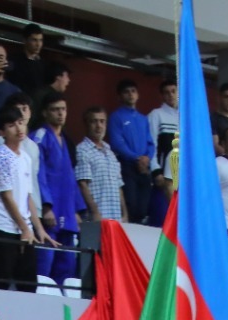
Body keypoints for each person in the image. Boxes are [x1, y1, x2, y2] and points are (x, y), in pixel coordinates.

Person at [0, 104, 50, 291]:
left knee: (29, 285)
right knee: (2, 283)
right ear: (2, 132)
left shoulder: (26, 157)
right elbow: (6, 196)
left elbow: (28, 197)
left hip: (25, 230)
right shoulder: (0, 155)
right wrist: (24, 228)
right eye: (12, 125)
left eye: (21, 123)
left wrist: (38, 228)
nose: (19, 128)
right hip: (3, 226)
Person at [32, 91, 84, 284]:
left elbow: (70, 177)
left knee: (68, 269)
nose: (60, 114)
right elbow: (38, 173)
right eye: (55, 110)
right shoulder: (40, 136)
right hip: (50, 211)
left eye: (63, 109)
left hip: (67, 211)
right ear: (45, 113)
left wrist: (77, 209)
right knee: (44, 269)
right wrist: (46, 206)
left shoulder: (66, 140)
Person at [75, 105, 125, 242]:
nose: (99, 126)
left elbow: (118, 185)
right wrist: (95, 212)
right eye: (94, 121)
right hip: (96, 218)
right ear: (86, 124)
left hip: (115, 218)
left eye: (102, 121)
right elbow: (83, 184)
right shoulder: (82, 150)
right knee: (95, 259)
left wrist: (124, 213)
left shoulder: (110, 152)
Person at [108, 78, 154, 226]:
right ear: (120, 96)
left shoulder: (143, 119)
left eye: (133, 91)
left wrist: (147, 158)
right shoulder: (116, 117)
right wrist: (137, 158)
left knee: (144, 207)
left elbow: (150, 143)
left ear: (138, 95)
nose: (130, 95)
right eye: (126, 92)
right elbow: (117, 143)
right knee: (131, 204)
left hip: (144, 167)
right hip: (127, 166)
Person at [146, 76, 179, 226]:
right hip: (163, 178)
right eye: (167, 92)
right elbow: (151, 143)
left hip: (180, 178)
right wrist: (155, 170)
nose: (171, 95)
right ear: (162, 95)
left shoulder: (184, 116)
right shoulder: (156, 114)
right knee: (163, 221)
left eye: (173, 91)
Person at [9, 21, 46, 97]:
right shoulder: (14, 61)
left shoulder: (43, 65)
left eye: (40, 40)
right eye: (34, 40)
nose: (38, 44)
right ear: (25, 40)